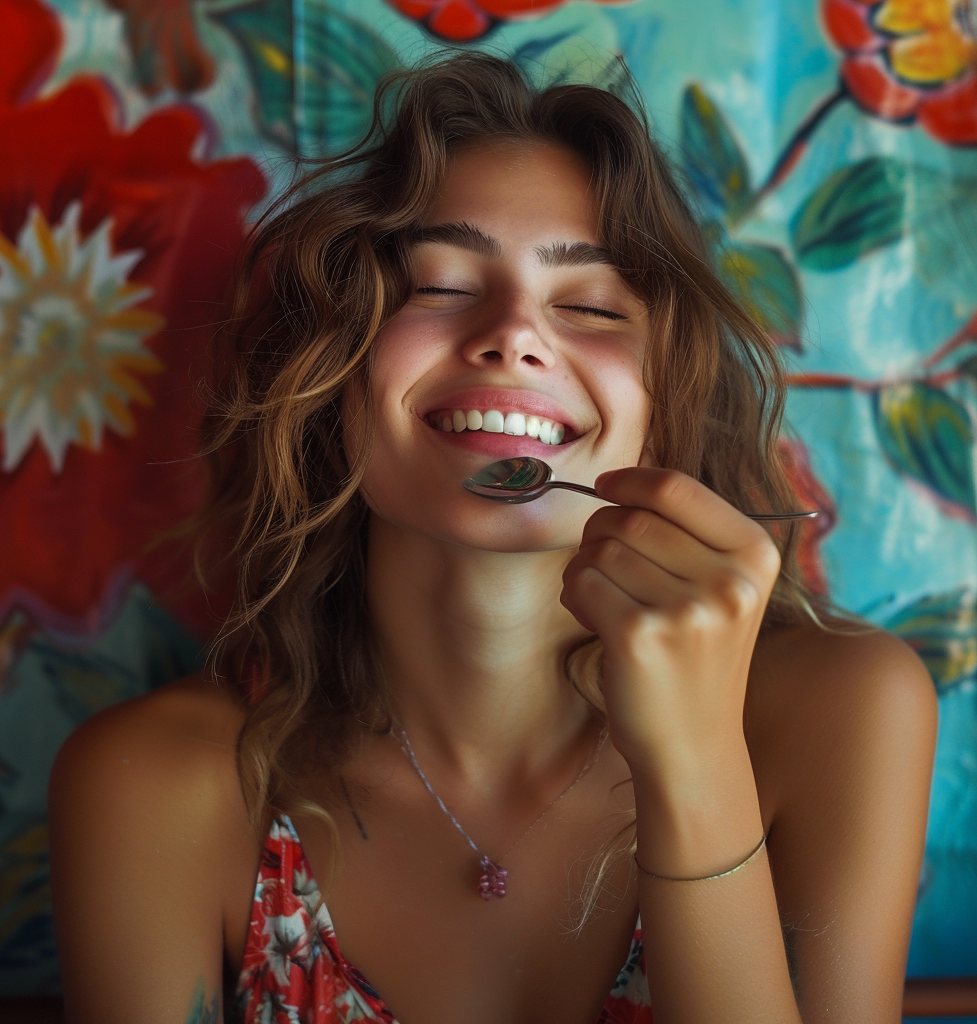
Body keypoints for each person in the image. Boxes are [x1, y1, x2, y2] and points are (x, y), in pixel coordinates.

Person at [49, 53, 936, 1024]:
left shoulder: (839, 712)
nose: (514, 333)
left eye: (591, 307)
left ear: (665, 409)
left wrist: (692, 759)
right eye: (437, 286)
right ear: (332, 380)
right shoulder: (155, 788)